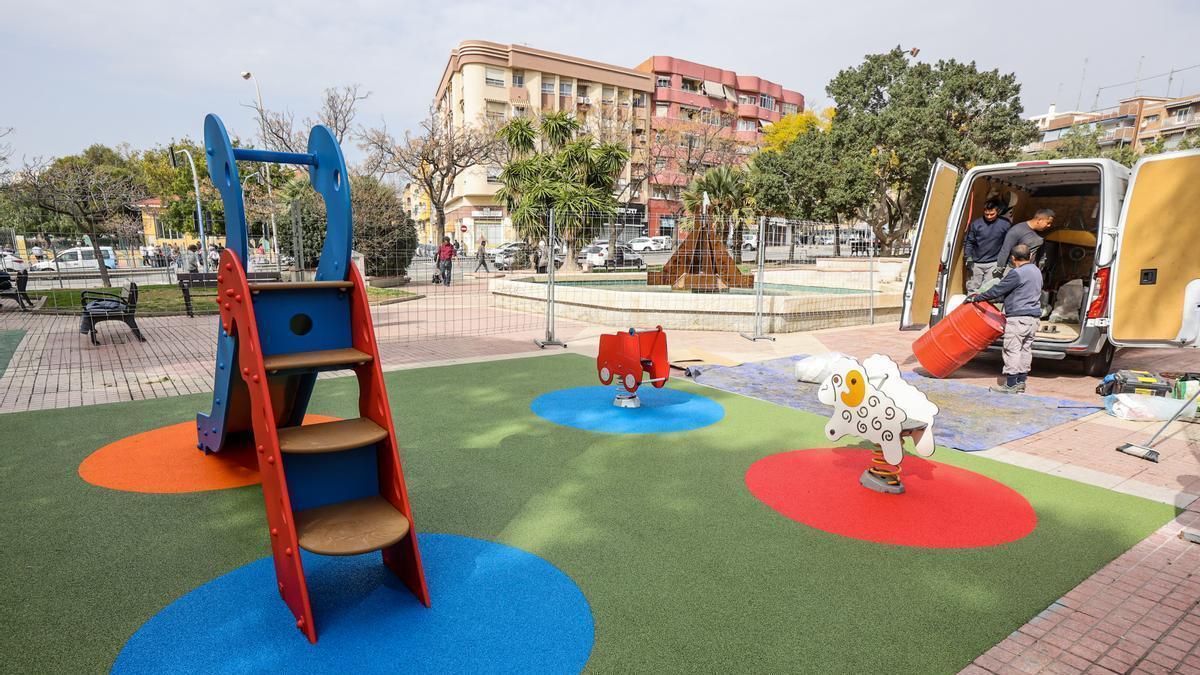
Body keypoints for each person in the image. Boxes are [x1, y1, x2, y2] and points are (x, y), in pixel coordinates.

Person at [966, 243, 1043, 394]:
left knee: (1012, 350)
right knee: (1025, 349)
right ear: (1031, 256)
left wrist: (977, 298)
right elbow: (1019, 291)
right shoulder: (1036, 271)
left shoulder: (1017, 273)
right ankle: (1021, 382)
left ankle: (1010, 384)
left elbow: (997, 290)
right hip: (1033, 318)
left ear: (1013, 258)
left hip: (1018, 318)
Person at [963, 200, 1012, 292]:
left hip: (994, 263)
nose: (989, 217)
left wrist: (1004, 263)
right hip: (976, 263)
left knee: (988, 290)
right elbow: (969, 242)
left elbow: (1008, 244)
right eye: (986, 214)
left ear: (997, 211)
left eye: (992, 214)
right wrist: (968, 257)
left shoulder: (1005, 224)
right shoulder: (976, 224)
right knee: (972, 288)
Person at [993, 209, 1055, 278]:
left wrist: (1042, 261)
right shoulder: (1017, 230)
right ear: (1039, 220)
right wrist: (1000, 268)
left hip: (1029, 271)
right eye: (1048, 223)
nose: (1049, 226)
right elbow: (1005, 250)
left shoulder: (1042, 232)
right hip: (1013, 270)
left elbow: (1041, 247)